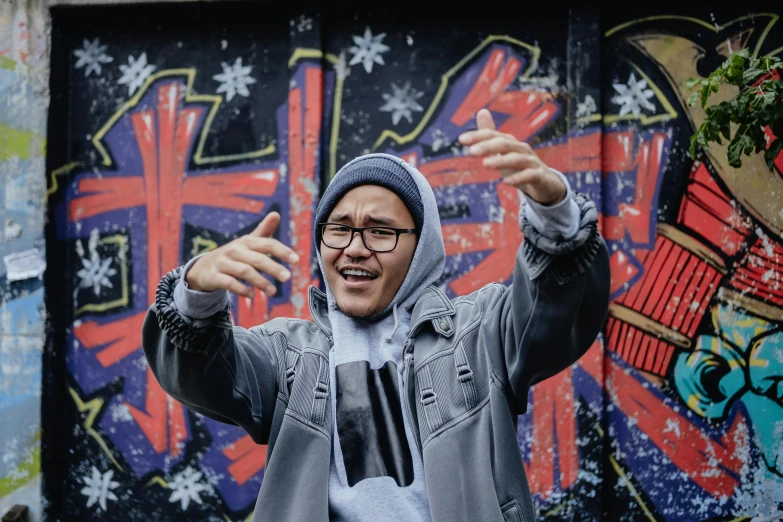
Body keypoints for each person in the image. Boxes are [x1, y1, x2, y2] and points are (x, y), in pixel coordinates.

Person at [142, 109, 610, 521]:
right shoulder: (286, 355)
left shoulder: (478, 333)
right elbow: (202, 376)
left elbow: (556, 315)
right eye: (339, 229)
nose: (355, 249)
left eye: (381, 232)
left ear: (422, 246)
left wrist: (555, 215)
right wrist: (197, 291)